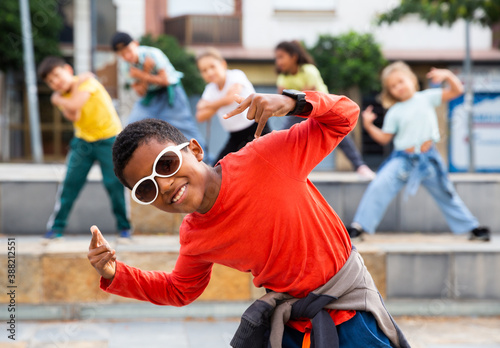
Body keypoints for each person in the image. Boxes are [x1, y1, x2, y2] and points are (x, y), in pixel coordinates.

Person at [87, 90, 410, 347]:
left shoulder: (265, 156)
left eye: (167, 164)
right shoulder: (195, 236)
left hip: (354, 314)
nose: (165, 184)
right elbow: (180, 289)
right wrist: (117, 274)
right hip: (295, 328)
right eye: (146, 189)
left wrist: (292, 101)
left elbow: (344, 116)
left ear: (196, 150)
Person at [346, 61, 490, 242]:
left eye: (400, 81)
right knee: (379, 185)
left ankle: (473, 227)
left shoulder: (426, 97)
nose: (398, 87)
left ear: (412, 80)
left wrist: (447, 75)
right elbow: (384, 138)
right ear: (389, 91)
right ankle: (359, 226)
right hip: (402, 160)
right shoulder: (394, 112)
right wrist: (368, 124)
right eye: (392, 86)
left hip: (428, 160)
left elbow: (457, 91)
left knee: (446, 193)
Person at [38, 56, 131, 239]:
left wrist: (57, 100)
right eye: (50, 81)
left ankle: (124, 227)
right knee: (70, 184)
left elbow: (74, 105)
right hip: (83, 143)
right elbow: (74, 115)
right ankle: (56, 228)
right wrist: (63, 97)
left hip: (109, 140)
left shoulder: (88, 82)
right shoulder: (66, 93)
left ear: (68, 70)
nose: (55, 82)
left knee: (114, 184)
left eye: (57, 75)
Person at [275, 40, 375, 180]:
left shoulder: (308, 70)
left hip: (321, 107)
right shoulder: (283, 76)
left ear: (294, 57)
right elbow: (282, 99)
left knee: (342, 138)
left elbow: (310, 96)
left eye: (281, 57)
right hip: (299, 109)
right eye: (277, 58)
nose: (278, 61)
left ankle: (360, 166)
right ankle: (277, 165)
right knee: (283, 134)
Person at [110, 32, 206, 149]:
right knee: (133, 125)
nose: (127, 56)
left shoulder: (153, 54)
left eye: (129, 50)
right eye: (122, 54)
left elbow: (164, 80)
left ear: (135, 44)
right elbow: (141, 92)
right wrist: (145, 71)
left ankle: (206, 158)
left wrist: (141, 75)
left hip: (170, 92)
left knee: (184, 128)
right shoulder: (125, 67)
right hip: (149, 96)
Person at [195, 47, 271, 163]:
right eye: (204, 70)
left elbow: (231, 98)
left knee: (268, 162)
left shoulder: (236, 75)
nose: (209, 72)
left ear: (223, 64)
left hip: (257, 128)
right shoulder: (209, 89)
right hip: (235, 135)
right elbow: (200, 116)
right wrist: (220, 101)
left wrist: (208, 105)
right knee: (218, 167)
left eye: (212, 67)